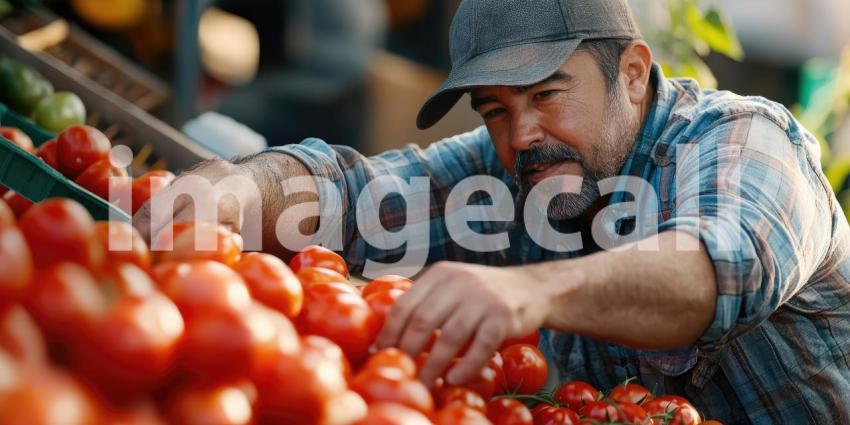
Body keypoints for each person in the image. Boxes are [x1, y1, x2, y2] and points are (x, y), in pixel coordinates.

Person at [134, 0, 850, 422]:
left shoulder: (745, 141)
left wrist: (528, 289)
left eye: (546, 94)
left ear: (633, 74)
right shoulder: (514, 168)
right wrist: (237, 189)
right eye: (496, 110)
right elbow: (350, 194)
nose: (521, 134)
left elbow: (710, 269)